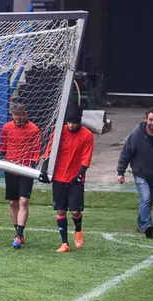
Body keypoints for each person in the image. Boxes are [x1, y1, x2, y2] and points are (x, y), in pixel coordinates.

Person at [40, 104, 94, 253]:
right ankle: (65, 243)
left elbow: (86, 157)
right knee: (60, 211)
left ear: (79, 121)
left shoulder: (87, 135)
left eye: (74, 122)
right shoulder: (59, 133)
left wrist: (80, 174)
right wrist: (44, 170)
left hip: (75, 179)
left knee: (75, 211)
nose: (70, 125)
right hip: (59, 178)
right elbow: (48, 151)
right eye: (69, 122)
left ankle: (78, 229)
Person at [116, 107, 153, 238]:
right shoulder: (136, 135)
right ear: (145, 119)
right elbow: (126, 153)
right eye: (151, 120)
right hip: (139, 173)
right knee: (146, 197)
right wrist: (121, 172)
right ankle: (147, 225)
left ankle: (140, 223)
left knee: (150, 199)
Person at [0, 103, 41, 248]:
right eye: (14, 117)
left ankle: (18, 236)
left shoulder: (34, 130)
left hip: (26, 170)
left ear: (25, 115)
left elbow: (36, 151)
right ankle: (19, 233)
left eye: (19, 117)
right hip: (10, 169)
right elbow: (3, 147)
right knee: (13, 203)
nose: (17, 120)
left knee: (23, 201)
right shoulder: (6, 128)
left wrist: (33, 164)